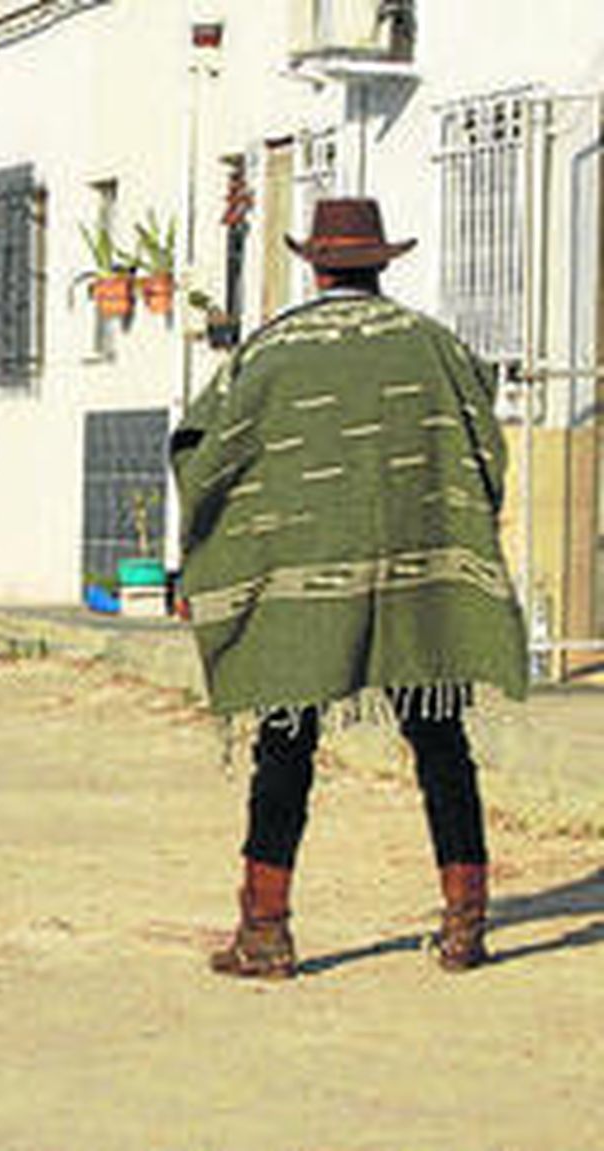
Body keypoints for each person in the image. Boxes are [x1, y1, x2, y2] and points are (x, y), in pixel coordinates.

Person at [170, 199, 529, 979]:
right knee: (441, 742)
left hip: (302, 586)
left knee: (285, 748)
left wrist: (215, 552)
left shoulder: (269, 353)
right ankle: (466, 924)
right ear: (381, 265)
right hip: (416, 579)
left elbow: (204, 450)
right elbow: (483, 447)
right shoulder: (431, 345)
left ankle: (265, 930)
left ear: (314, 264)